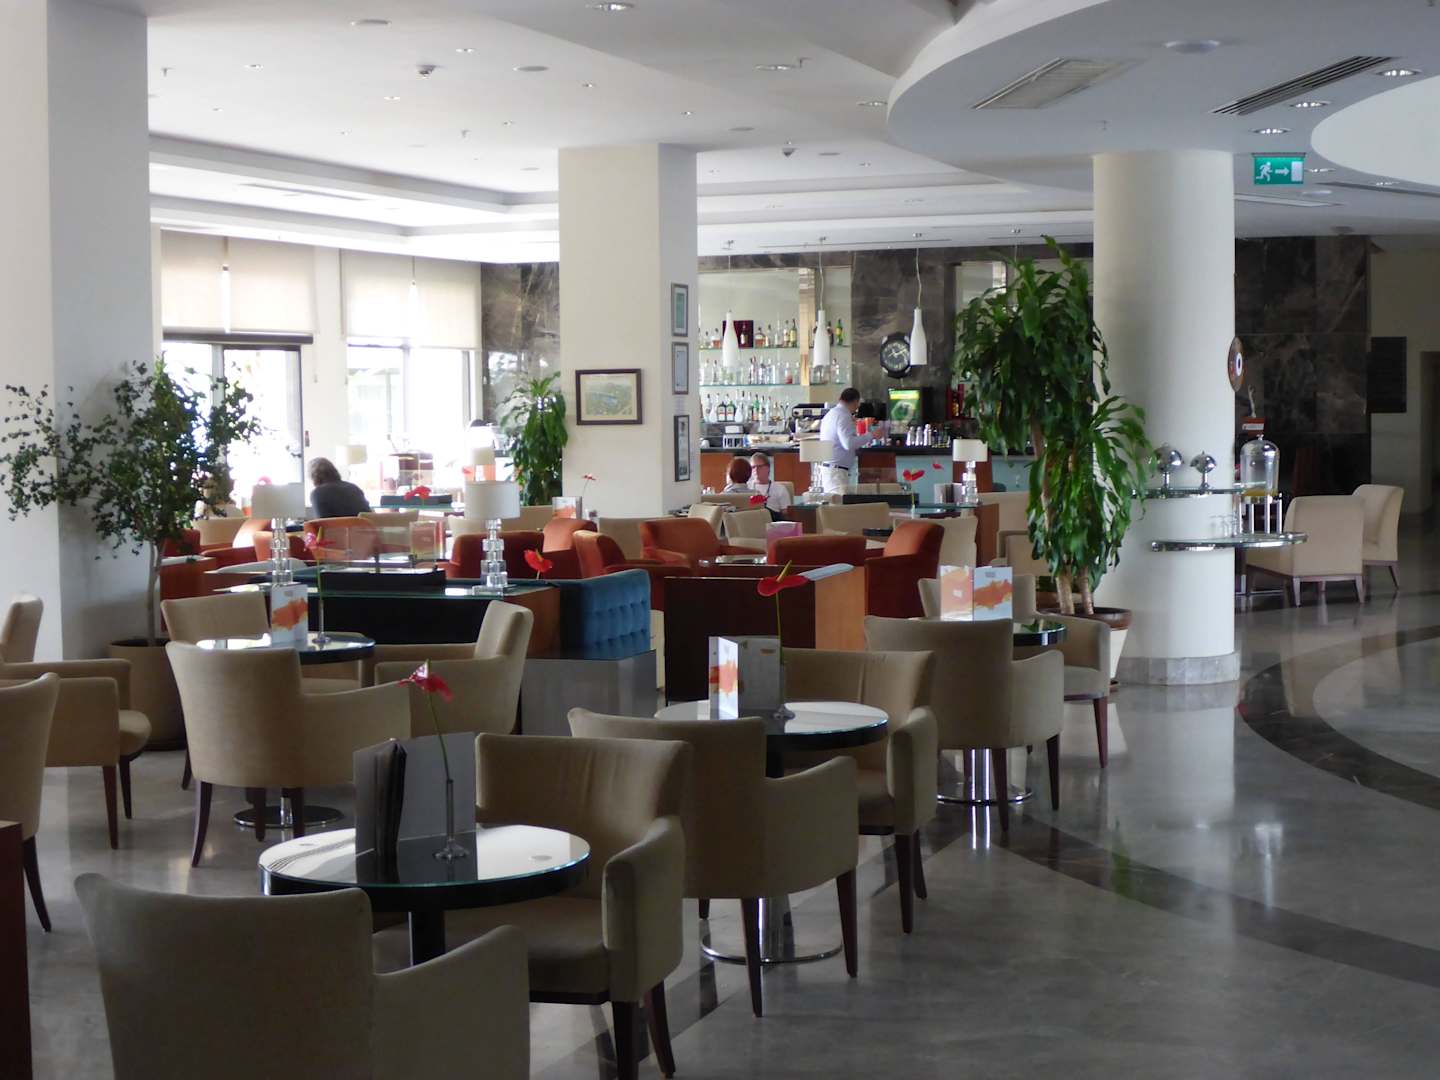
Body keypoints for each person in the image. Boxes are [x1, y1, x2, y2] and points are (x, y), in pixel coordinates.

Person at [817, 388, 864, 494]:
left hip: (832, 470)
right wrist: (871, 436)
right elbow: (849, 443)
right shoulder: (843, 416)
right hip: (836, 472)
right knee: (838, 503)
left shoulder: (832, 413)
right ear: (856, 402)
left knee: (835, 502)